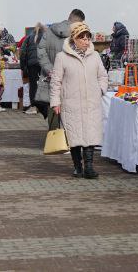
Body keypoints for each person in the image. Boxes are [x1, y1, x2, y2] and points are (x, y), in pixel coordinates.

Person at [51, 21, 108, 179]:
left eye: (88, 37)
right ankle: (78, 166)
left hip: (91, 103)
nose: (86, 41)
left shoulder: (95, 56)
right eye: (82, 38)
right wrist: (55, 102)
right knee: (74, 135)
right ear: (74, 38)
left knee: (90, 134)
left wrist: (100, 89)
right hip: (71, 102)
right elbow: (56, 81)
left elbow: (102, 76)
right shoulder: (62, 57)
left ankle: (89, 167)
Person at [36, 9, 85, 118]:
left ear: (69, 17)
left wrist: (49, 69)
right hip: (71, 81)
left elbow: (40, 51)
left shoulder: (49, 31)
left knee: (53, 114)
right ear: (80, 22)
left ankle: (54, 134)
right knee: (70, 117)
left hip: (51, 79)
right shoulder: (77, 35)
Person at [20, 24, 44, 115]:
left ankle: (33, 107)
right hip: (43, 63)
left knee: (33, 85)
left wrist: (23, 67)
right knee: (44, 84)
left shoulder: (28, 38)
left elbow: (22, 52)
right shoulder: (46, 38)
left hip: (32, 64)